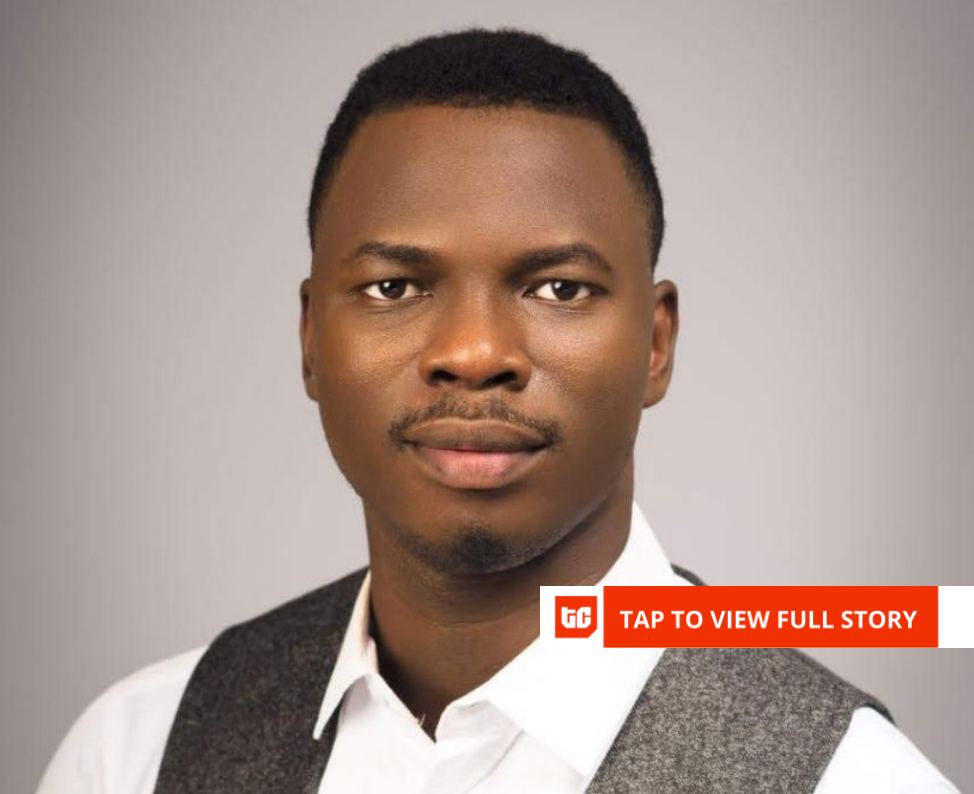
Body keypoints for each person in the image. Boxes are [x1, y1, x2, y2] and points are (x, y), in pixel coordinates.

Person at [36, 28, 958, 794]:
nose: (475, 353)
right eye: (395, 286)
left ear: (655, 344)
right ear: (312, 338)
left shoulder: (853, 781)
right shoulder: (133, 754)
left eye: (558, 288)